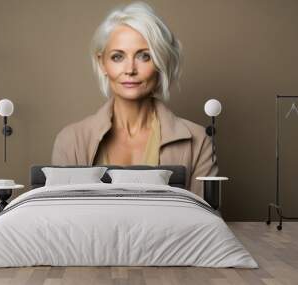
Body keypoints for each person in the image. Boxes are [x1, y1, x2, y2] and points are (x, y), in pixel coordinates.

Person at [51, 2, 218, 198]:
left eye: (144, 56)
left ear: (161, 62)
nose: (130, 69)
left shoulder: (198, 142)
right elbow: (60, 222)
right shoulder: (70, 141)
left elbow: (205, 221)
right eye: (117, 57)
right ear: (101, 63)